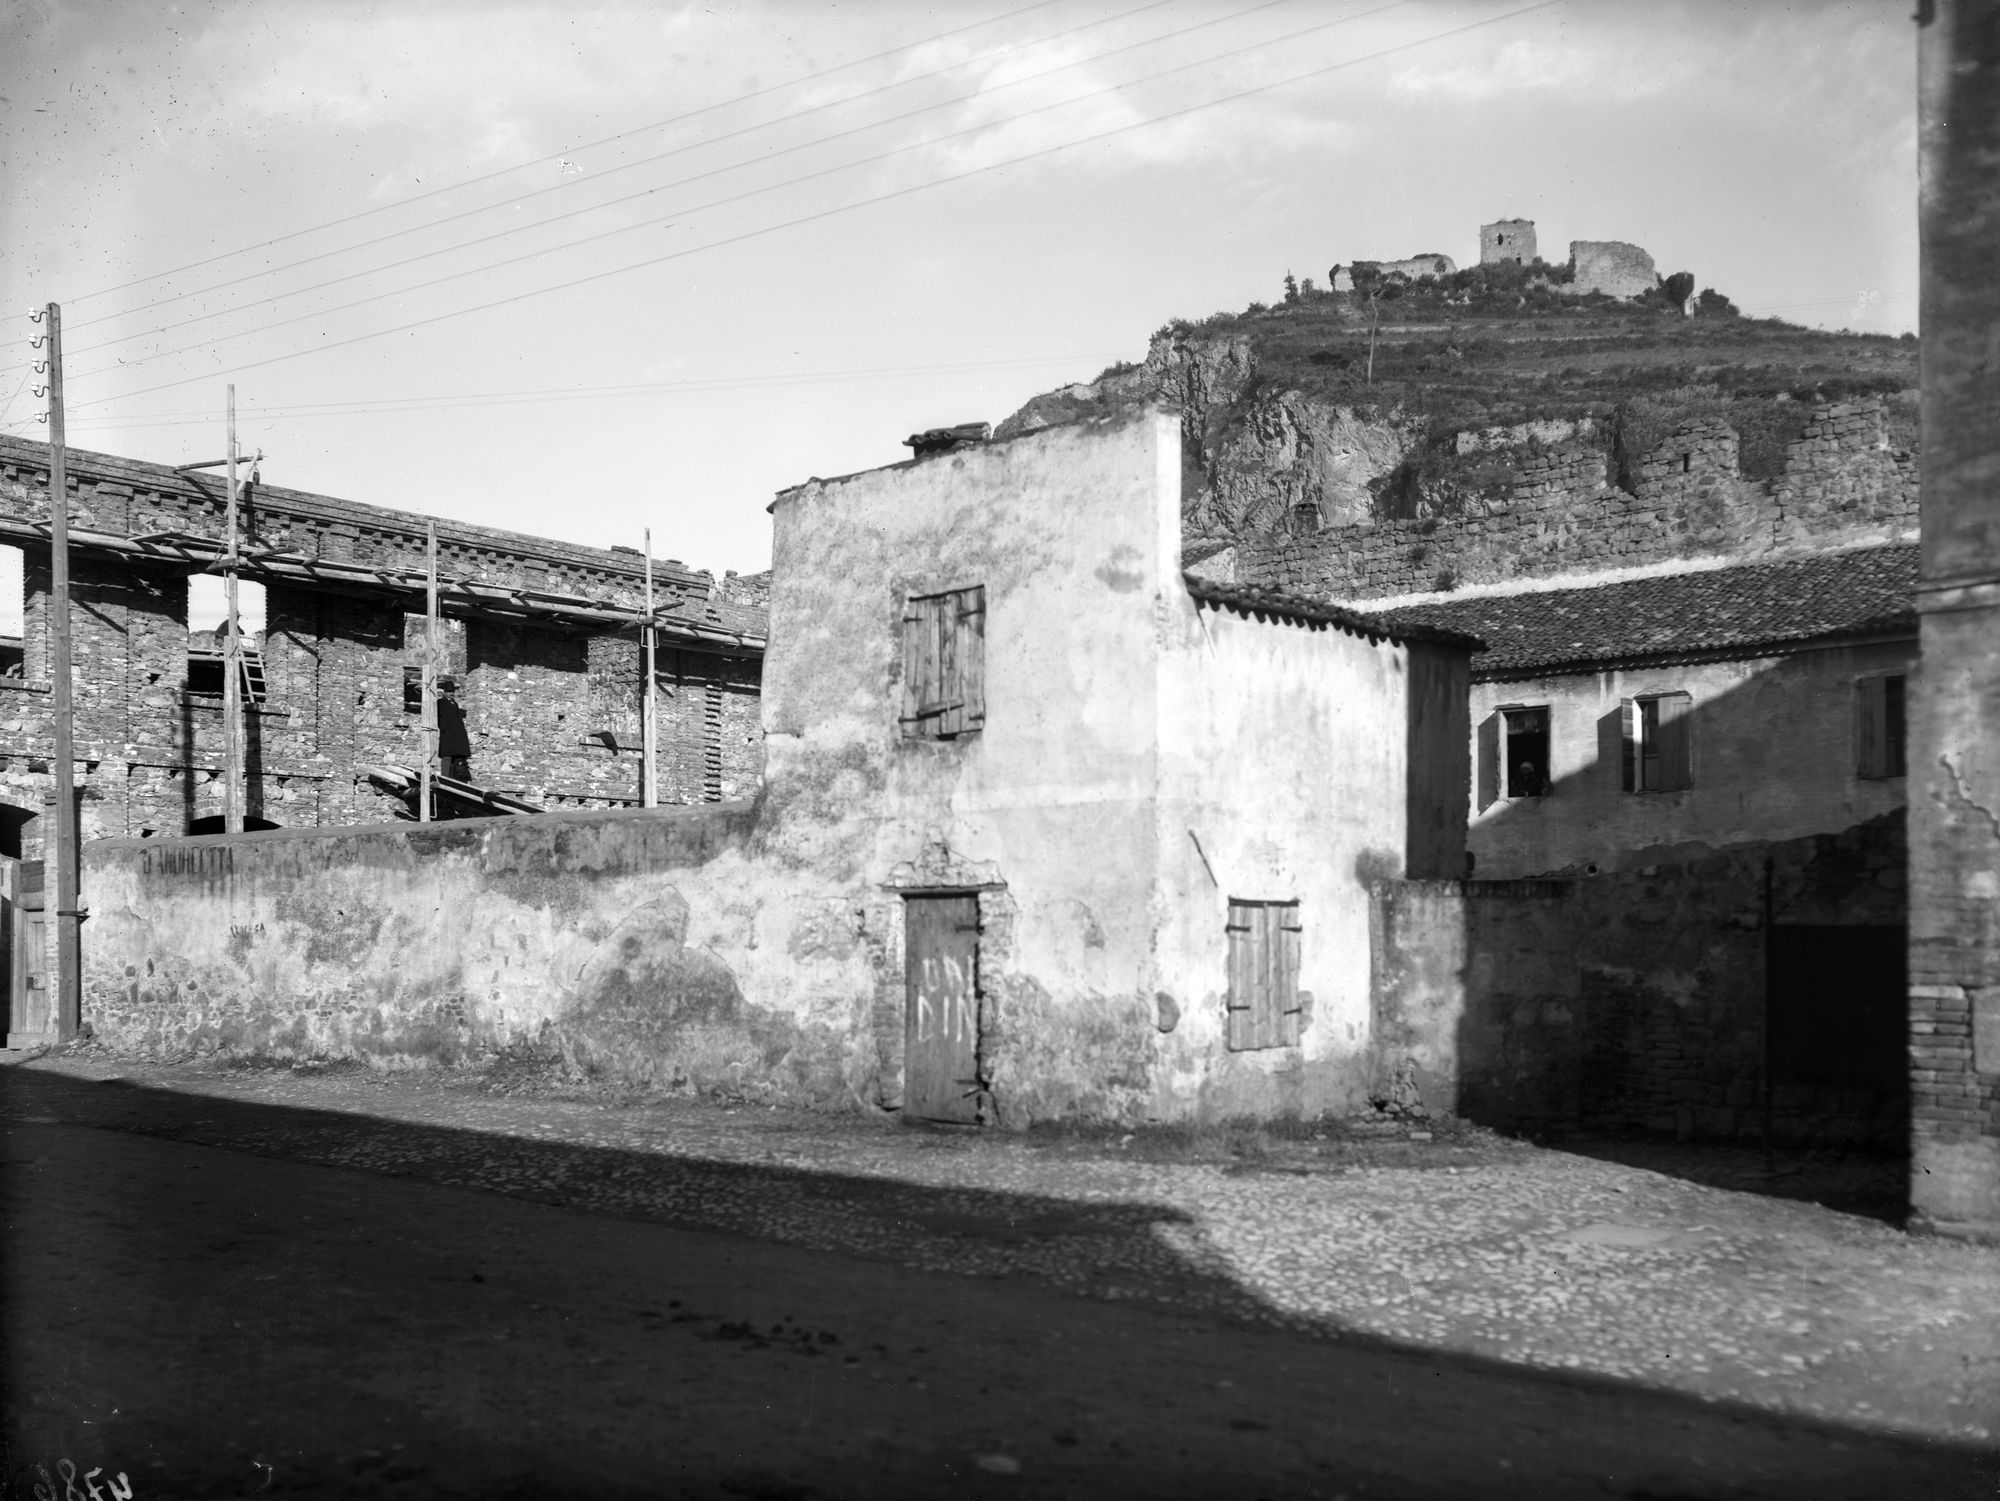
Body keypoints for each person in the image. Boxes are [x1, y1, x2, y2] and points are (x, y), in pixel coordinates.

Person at [435, 677, 472, 782]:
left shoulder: (454, 703)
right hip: (448, 732)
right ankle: (445, 778)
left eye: (452, 692)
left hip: (456, 733)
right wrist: (444, 728)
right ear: (444, 693)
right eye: (449, 692)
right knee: (447, 755)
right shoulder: (441, 702)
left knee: (457, 756)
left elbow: (455, 715)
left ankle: (456, 778)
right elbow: (444, 715)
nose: (451, 694)